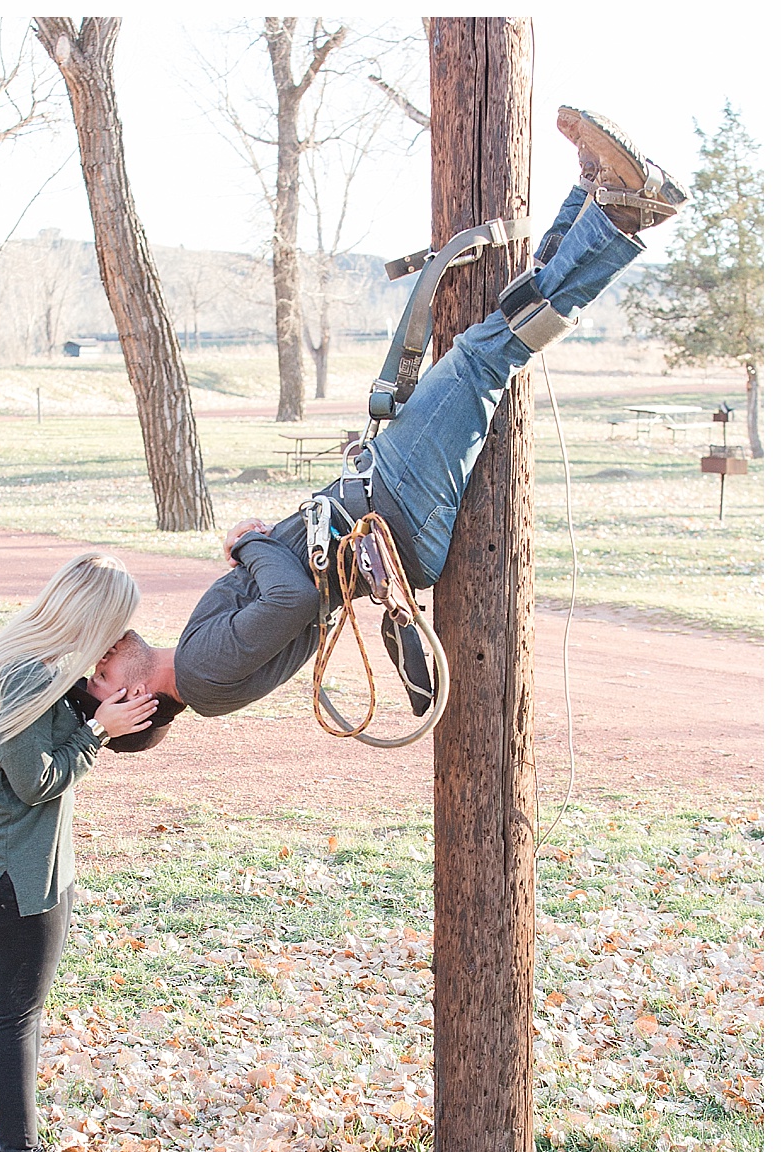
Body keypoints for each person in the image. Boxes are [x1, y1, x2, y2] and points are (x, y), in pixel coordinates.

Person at [83, 108, 687, 743]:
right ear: (133, 698)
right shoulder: (202, 674)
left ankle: (596, 195)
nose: (98, 662)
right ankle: (620, 215)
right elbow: (289, 598)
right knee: (484, 356)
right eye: (98, 679)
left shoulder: (202, 672)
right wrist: (248, 546)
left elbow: (284, 598)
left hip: (386, 512)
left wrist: (258, 549)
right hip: (393, 509)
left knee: (489, 343)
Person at [0, 553, 159, 1152]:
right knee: (11, 1016)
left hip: (21, 860)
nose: (116, 640)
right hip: (8, 870)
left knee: (18, 1013)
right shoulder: (25, 677)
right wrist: (99, 731)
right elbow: (36, 781)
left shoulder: (29, 664)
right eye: (115, 625)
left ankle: (9, 1144)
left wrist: (91, 711)